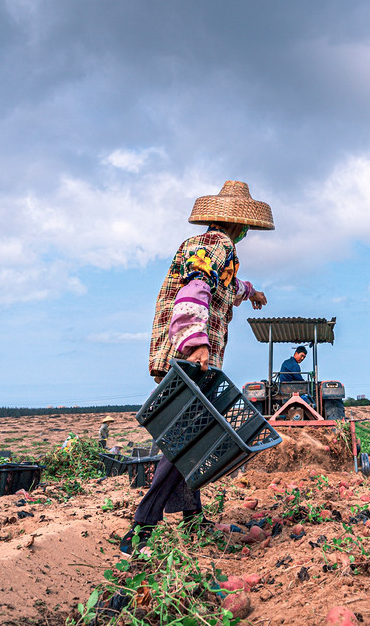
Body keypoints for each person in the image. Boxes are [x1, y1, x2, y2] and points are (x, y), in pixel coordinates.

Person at [122, 180, 272, 555]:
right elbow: (196, 285)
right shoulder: (215, 245)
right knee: (182, 441)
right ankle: (142, 528)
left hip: (185, 355)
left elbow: (228, 285)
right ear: (243, 225)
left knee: (190, 434)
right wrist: (195, 341)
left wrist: (252, 293)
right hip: (188, 355)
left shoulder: (215, 248)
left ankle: (191, 517)